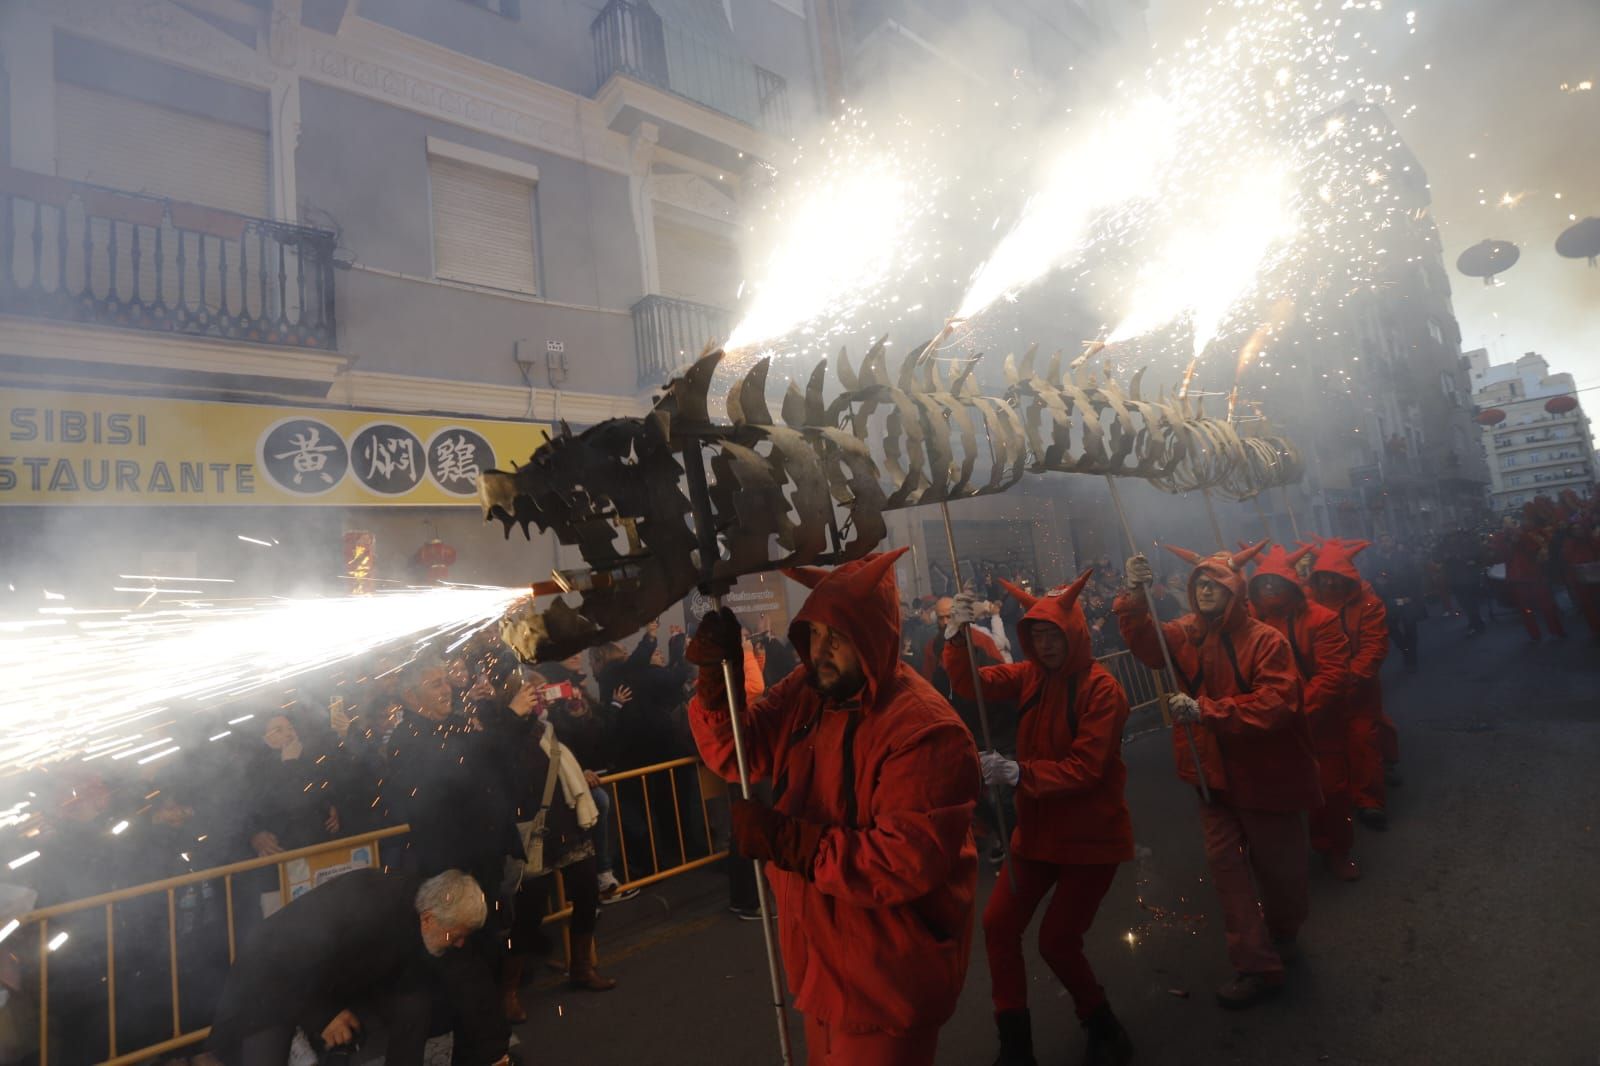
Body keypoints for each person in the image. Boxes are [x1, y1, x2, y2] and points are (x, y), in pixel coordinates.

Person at [687, 549, 980, 1065]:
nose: (819, 650)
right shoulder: (811, 690)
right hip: (819, 961)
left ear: (872, 637)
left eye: (837, 637)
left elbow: (904, 860)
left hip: (886, 976)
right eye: (814, 633)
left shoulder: (925, 730)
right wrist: (717, 687)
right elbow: (739, 751)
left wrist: (789, 841)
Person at [1116, 542, 1321, 1009]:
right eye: (1200, 584)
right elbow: (1149, 644)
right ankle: (1255, 964)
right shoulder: (1188, 631)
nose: (1205, 590)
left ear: (1234, 590)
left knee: (1281, 873)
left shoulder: (1267, 640)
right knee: (1227, 871)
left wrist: (1209, 710)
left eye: (1214, 584)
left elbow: (1278, 703)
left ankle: (1284, 934)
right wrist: (1134, 595)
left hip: (1266, 776)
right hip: (1211, 776)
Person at [943, 573, 1135, 1066]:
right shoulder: (1029, 676)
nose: (1046, 645)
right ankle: (1015, 1045)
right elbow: (972, 684)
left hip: (1092, 841)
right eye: (1038, 636)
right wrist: (956, 639)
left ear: (1074, 634)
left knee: (1057, 941)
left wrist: (1018, 772)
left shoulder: (1103, 689)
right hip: (1037, 835)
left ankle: (1102, 1021)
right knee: (998, 924)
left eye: (1054, 635)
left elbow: (1088, 769)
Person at [208, 868, 492, 1066]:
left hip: (332, 980)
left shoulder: (425, 908)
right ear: (429, 919)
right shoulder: (366, 908)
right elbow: (288, 961)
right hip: (270, 978)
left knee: (414, 1003)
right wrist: (323, 1015)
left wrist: (493, 1053)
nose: (459, 944)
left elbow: (469, 984)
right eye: (455, 936)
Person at [491, 671, 617, 1024]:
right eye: (533, 692)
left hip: (570, 828)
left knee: (588, 895)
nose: (541, 697)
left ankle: (582, 968)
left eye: (542, 690)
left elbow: (586, 745)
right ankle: (508, 991)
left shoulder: (550, 725)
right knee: (529, 914)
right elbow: (503, 761)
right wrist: (516, 716)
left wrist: (579, 712)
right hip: (536, 833)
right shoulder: (509, 731)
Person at [1245, 545, 1359, 881]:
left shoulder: (1321, 619)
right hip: (1272, 722)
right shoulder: (1251, 621)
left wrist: (1295, 712)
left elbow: (1333, 675)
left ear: (1291, 584)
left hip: (1318, 721)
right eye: (1261, 583)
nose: (1268, 589)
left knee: (1331, 791)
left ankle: (1336, 848)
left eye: (1274, 582)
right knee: (1275, 794)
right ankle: (1283, 858)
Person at [1306, 539, 1394, 829]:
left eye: (1335, 575)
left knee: (1362, 739)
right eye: (1324, 576)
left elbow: (1374, 644)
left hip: (1359, 687)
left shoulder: (1367, 600)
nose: (1329, 581)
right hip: (1323, 685)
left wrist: (1350, 677)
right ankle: (1337, 798)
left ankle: (1369, 801)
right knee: (1329, 747)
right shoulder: (1307, 601)